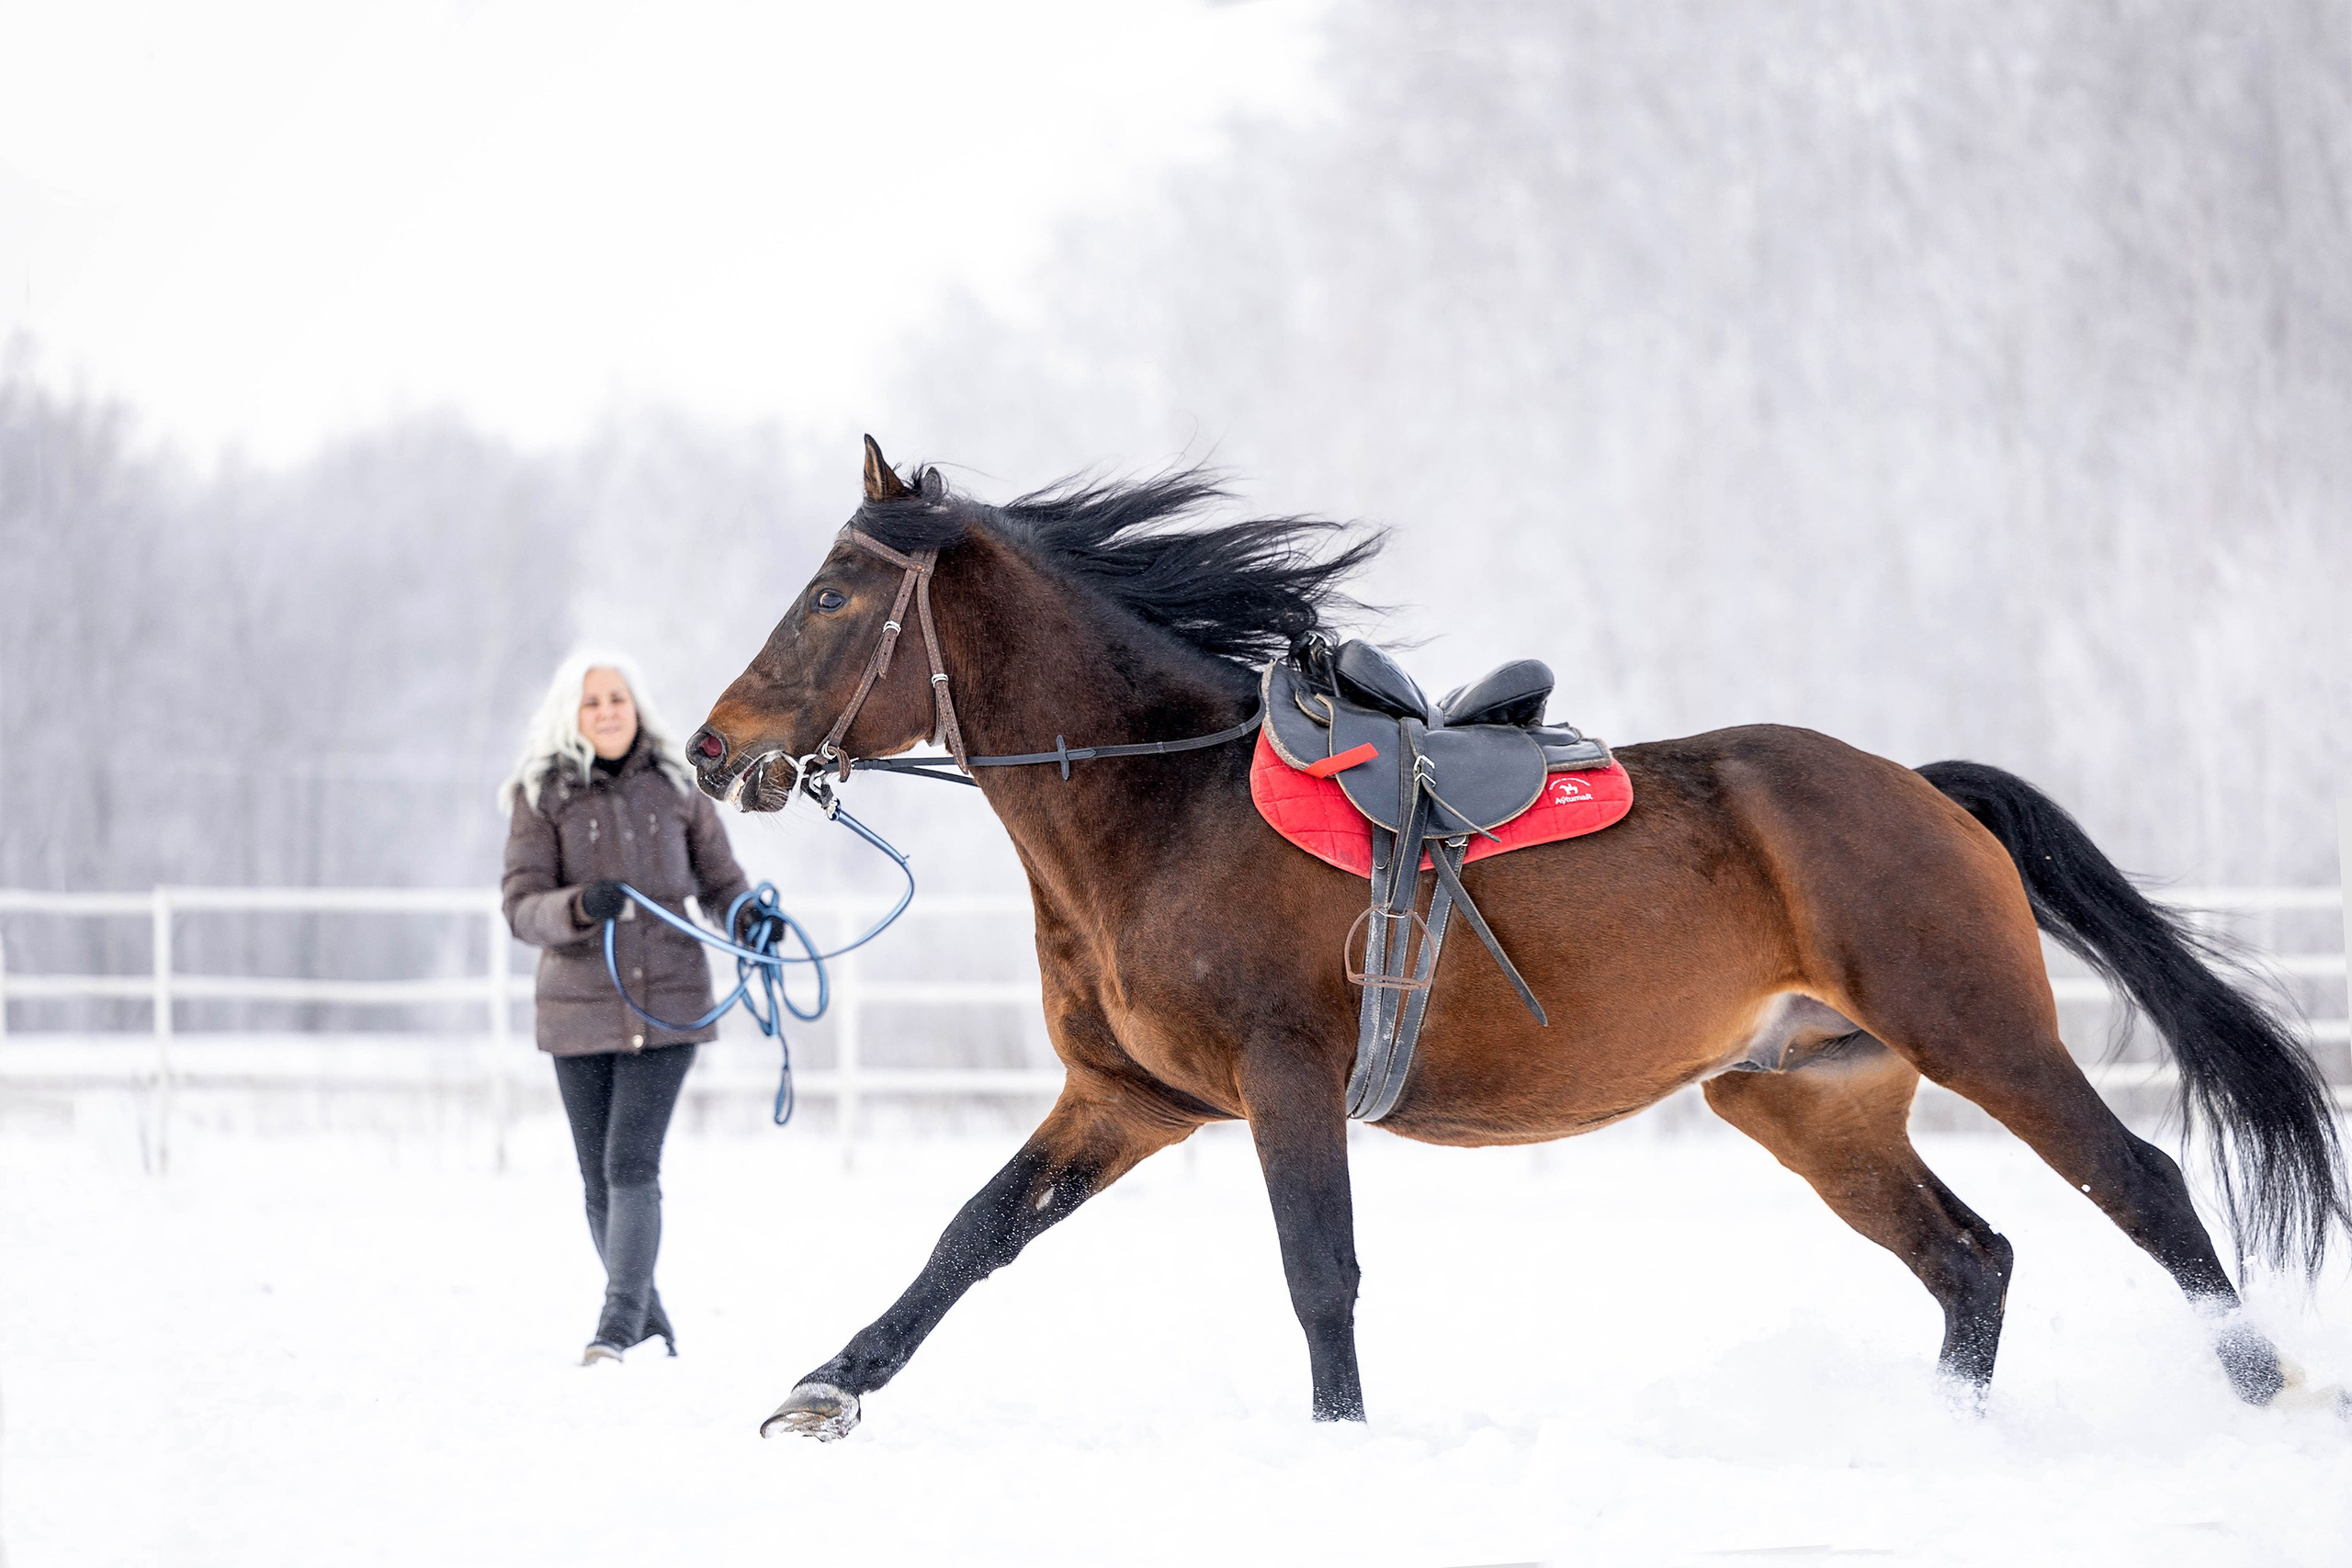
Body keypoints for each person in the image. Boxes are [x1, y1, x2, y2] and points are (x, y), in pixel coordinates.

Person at [499, 651, 751, 1365]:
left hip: (669, 1006)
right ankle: (649, 1323)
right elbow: (521, 907)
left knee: (631, 1163)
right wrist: (580, 904)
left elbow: (722, 882)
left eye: (617, 697)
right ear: (570, 715)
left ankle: (615, 1326)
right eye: (593, 701)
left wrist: (751, 918)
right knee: (598, 1179)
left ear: (636, 705)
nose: (608, 710)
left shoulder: (677, 786)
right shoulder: (541, 795)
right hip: (578, 1013)